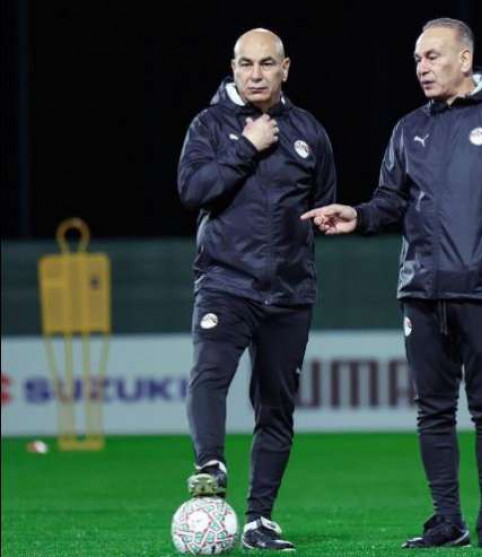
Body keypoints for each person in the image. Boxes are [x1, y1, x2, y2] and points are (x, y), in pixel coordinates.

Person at [302, 17, 482, 550]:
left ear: (465, 59)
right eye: (418, 58)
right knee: (433, 411)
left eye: (433, 56)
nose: (422, 67)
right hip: (421, 289)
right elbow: (391, 200)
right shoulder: (408, 129)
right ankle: (447, 520)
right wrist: (359, 215)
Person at [177, 28, 336, 551]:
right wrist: (246, 148)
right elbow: (193, 191)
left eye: (266, 64)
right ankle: (209, 466)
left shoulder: (310, 132)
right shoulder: (209, 125)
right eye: (245, 64)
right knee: (209, 373)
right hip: (225, 282)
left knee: (276, 409)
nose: (255, 74)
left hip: (289, 293)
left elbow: (321, 203)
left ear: (285, 68)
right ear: (233, 68)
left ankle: (259, 520)